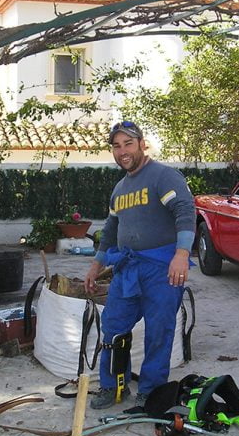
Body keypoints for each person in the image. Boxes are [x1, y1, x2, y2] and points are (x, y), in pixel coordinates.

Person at [84, 121, 196, 410]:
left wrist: (181, 254)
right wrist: (96, 265)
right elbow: (111, 229)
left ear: (142, 144)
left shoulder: (163, 176)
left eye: (128, 144)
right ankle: (112, 386)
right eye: (116, 146)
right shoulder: (120, 188)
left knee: (159, 330)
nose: (122, 151)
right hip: (127, 269)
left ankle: (151, 390)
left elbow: (185, 211)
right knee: (114, 325)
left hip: (162, 269)